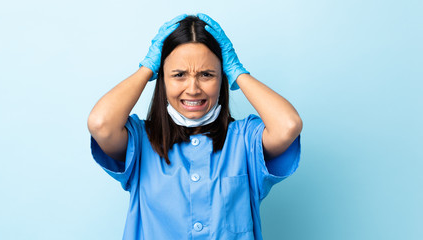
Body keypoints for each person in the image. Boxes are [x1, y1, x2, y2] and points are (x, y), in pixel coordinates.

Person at [87, 13, 302, 240]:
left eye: (206, 74)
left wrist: (237, 72)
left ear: (222, 78)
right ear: (162, 80)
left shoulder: (245, 140)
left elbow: (288, 125)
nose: (193, 88)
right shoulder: (140, 141)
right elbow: (101, 124)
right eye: (179, 75)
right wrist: (146, 68)